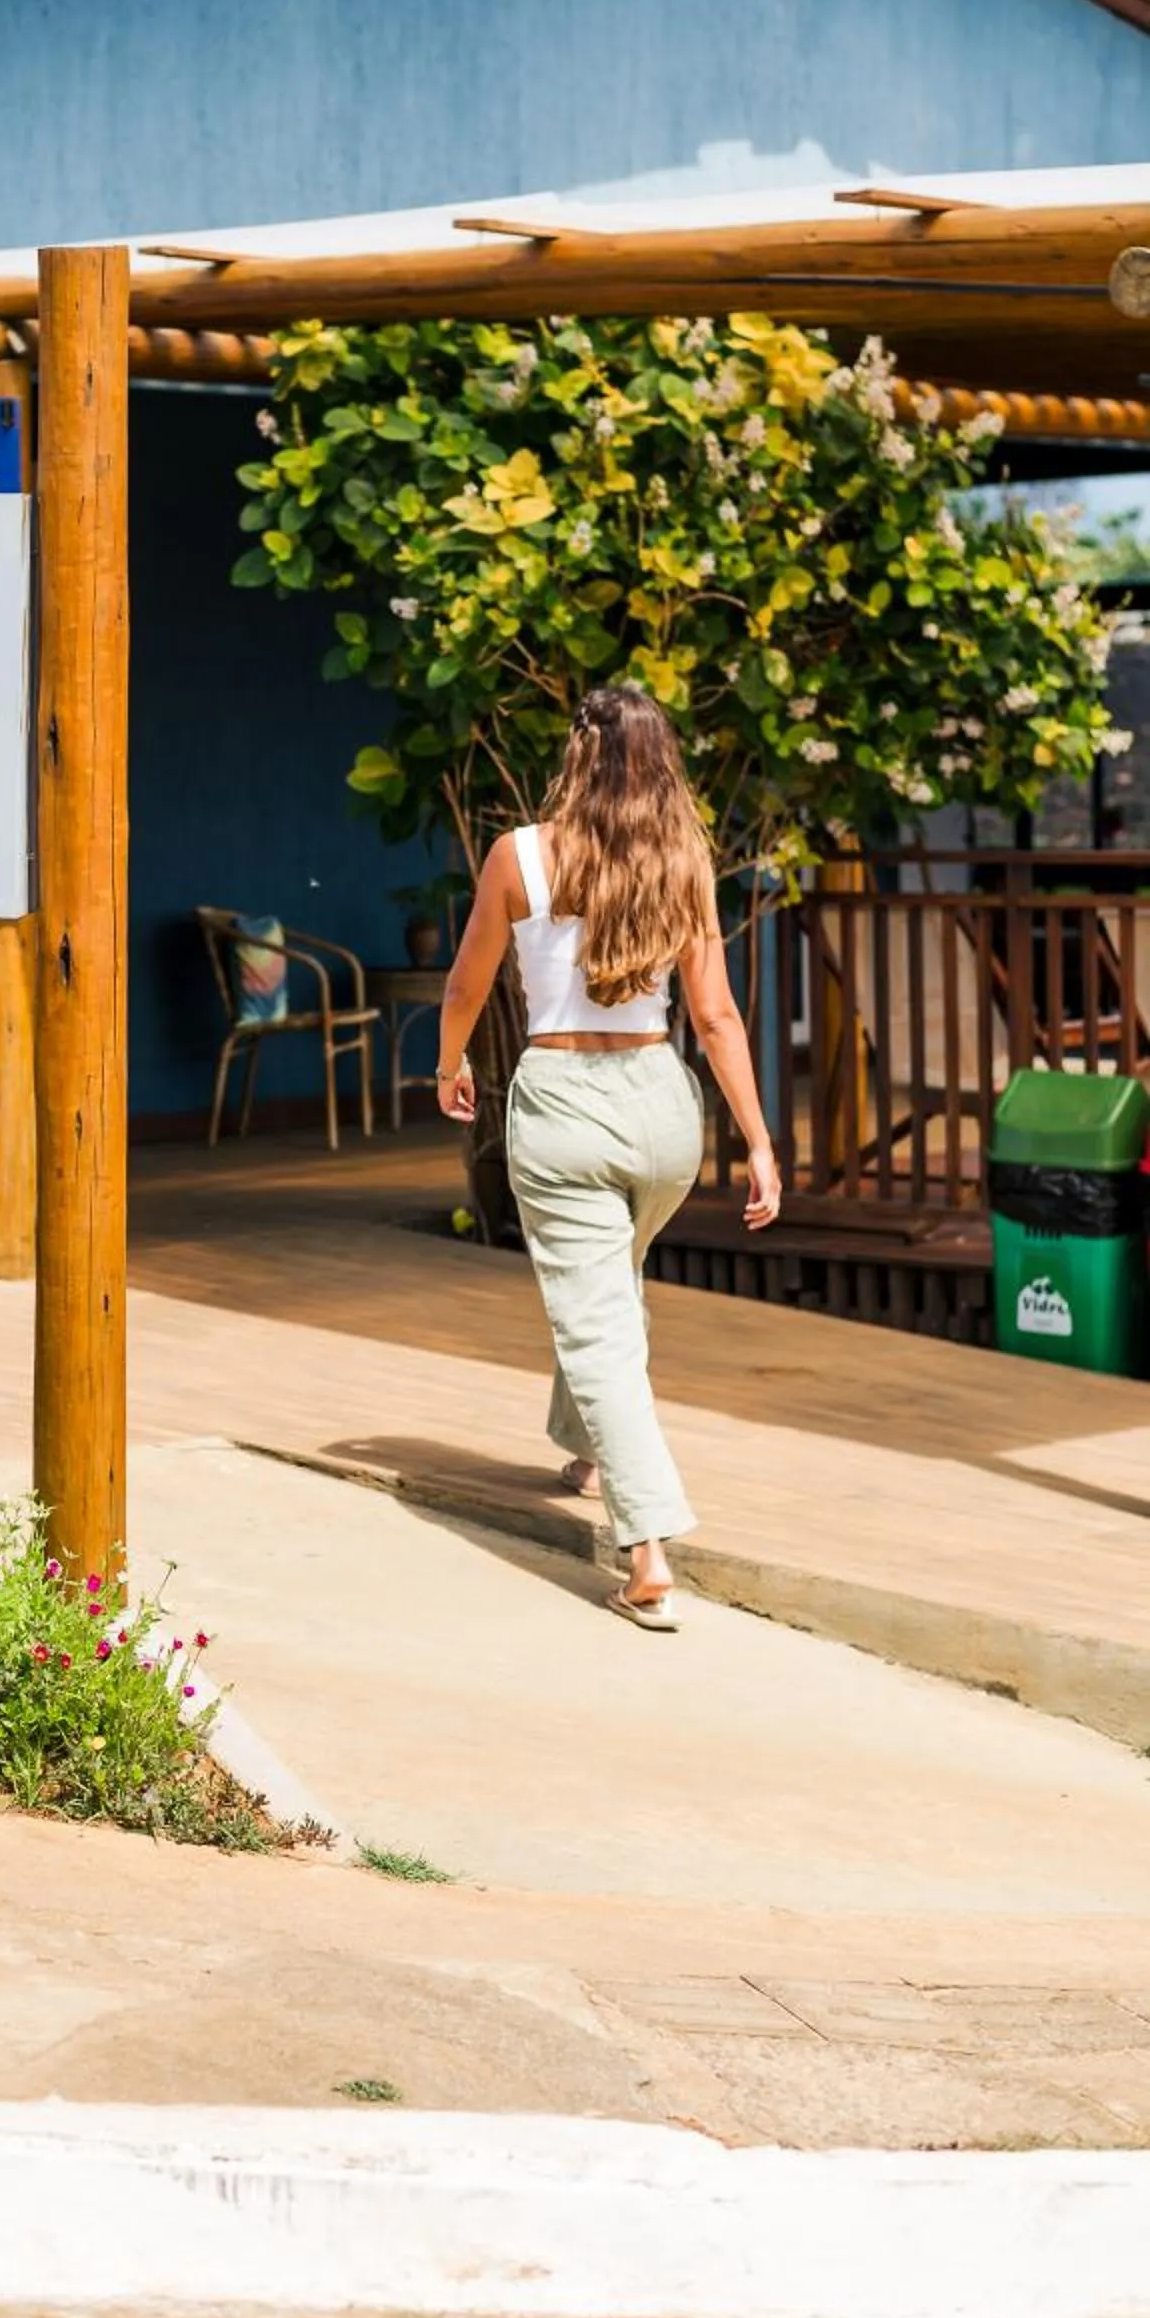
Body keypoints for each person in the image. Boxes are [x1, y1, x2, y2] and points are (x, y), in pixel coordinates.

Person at [436, 687, 781, 1630]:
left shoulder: (521, 855)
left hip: (563, 1107)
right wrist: (756, 1139)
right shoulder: (683, 858)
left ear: (578, 756)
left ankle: (649, 1552)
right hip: (663, 1110)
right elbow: (712, 1015)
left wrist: (449, 1060)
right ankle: (584, 1448)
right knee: (607, 1287)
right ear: (659, 760)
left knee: (596, 1321)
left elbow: (468, 979)